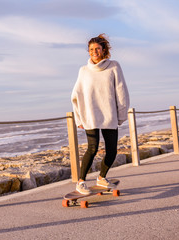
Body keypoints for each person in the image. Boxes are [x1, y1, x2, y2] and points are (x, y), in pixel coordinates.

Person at [71, 33, 130, 194]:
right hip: (90, 116)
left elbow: (121, 91)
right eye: (91, 49)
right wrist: (79, 119)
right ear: (88, 51)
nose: (94, 51)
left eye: (97, 48)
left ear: (104, 50)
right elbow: (75, 96)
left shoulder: (114, 66)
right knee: (92, 148)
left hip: (109, 114)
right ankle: (81, 182)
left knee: (112, 151)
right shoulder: (83, 71)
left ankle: (102, 177)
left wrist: (122, 114)